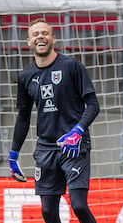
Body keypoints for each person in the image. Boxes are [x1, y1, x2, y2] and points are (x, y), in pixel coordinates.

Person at [8, 18, 99, 223]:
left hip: (74, 145)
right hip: (46, 149)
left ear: (53, 39)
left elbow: (93, 105)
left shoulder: (72, 65)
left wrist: (78, 131)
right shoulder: (26, 76)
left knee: (79, 205)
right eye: (36, 34)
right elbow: (23, 117)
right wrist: (14, 154)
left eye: (45, 33)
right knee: (48, 211)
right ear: (29, 42)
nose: (41, 36)